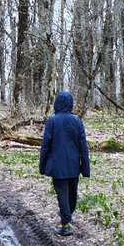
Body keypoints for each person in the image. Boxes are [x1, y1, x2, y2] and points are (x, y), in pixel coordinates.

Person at [39, 90, 91, 236]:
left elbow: (45, 146)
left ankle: (66, 222)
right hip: (74, 165)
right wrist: (85, 168)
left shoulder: (52, 121)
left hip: (57, 166)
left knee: (63, 193)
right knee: (71, 193)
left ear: (57, 104)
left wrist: (42, 166)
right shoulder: (77, 122)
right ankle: (66, 218)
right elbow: (83, 148)